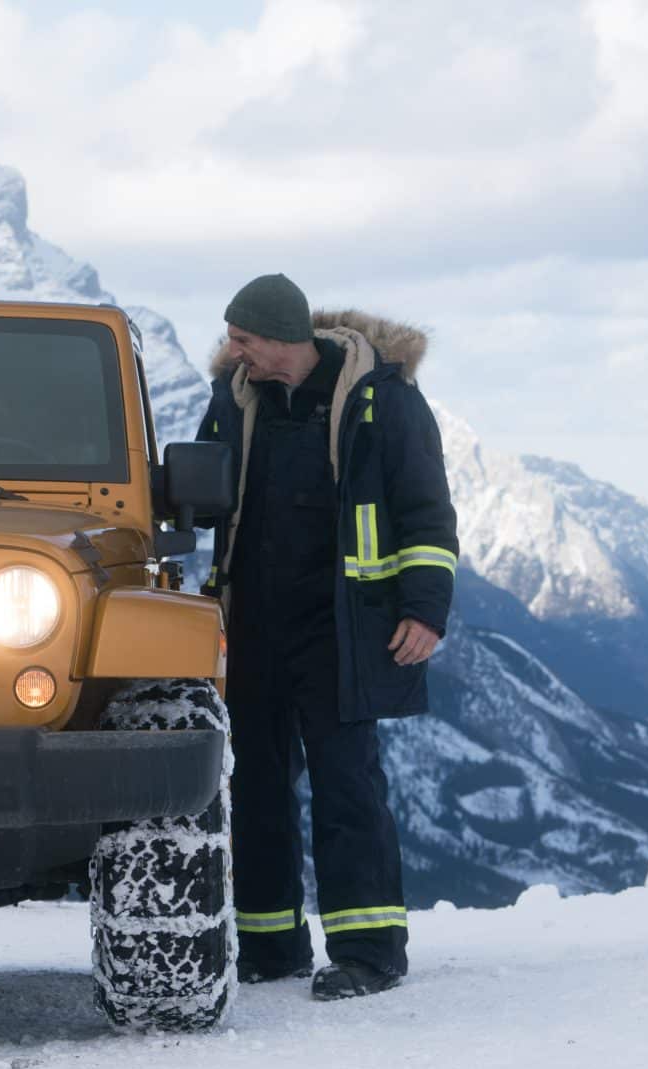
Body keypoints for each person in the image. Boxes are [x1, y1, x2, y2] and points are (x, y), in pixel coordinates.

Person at [195, 273, 458, 1001]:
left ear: (282, 337)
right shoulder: (233, 400)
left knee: (347, 786)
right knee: (255, 786)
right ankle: (270, 946)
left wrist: (425, 610)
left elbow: (427, 513)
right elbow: (200, 496)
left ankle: (370, 952)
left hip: (344, 629)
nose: (232, 350)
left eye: (242, 338)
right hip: (250, 626)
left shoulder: (384, 400)